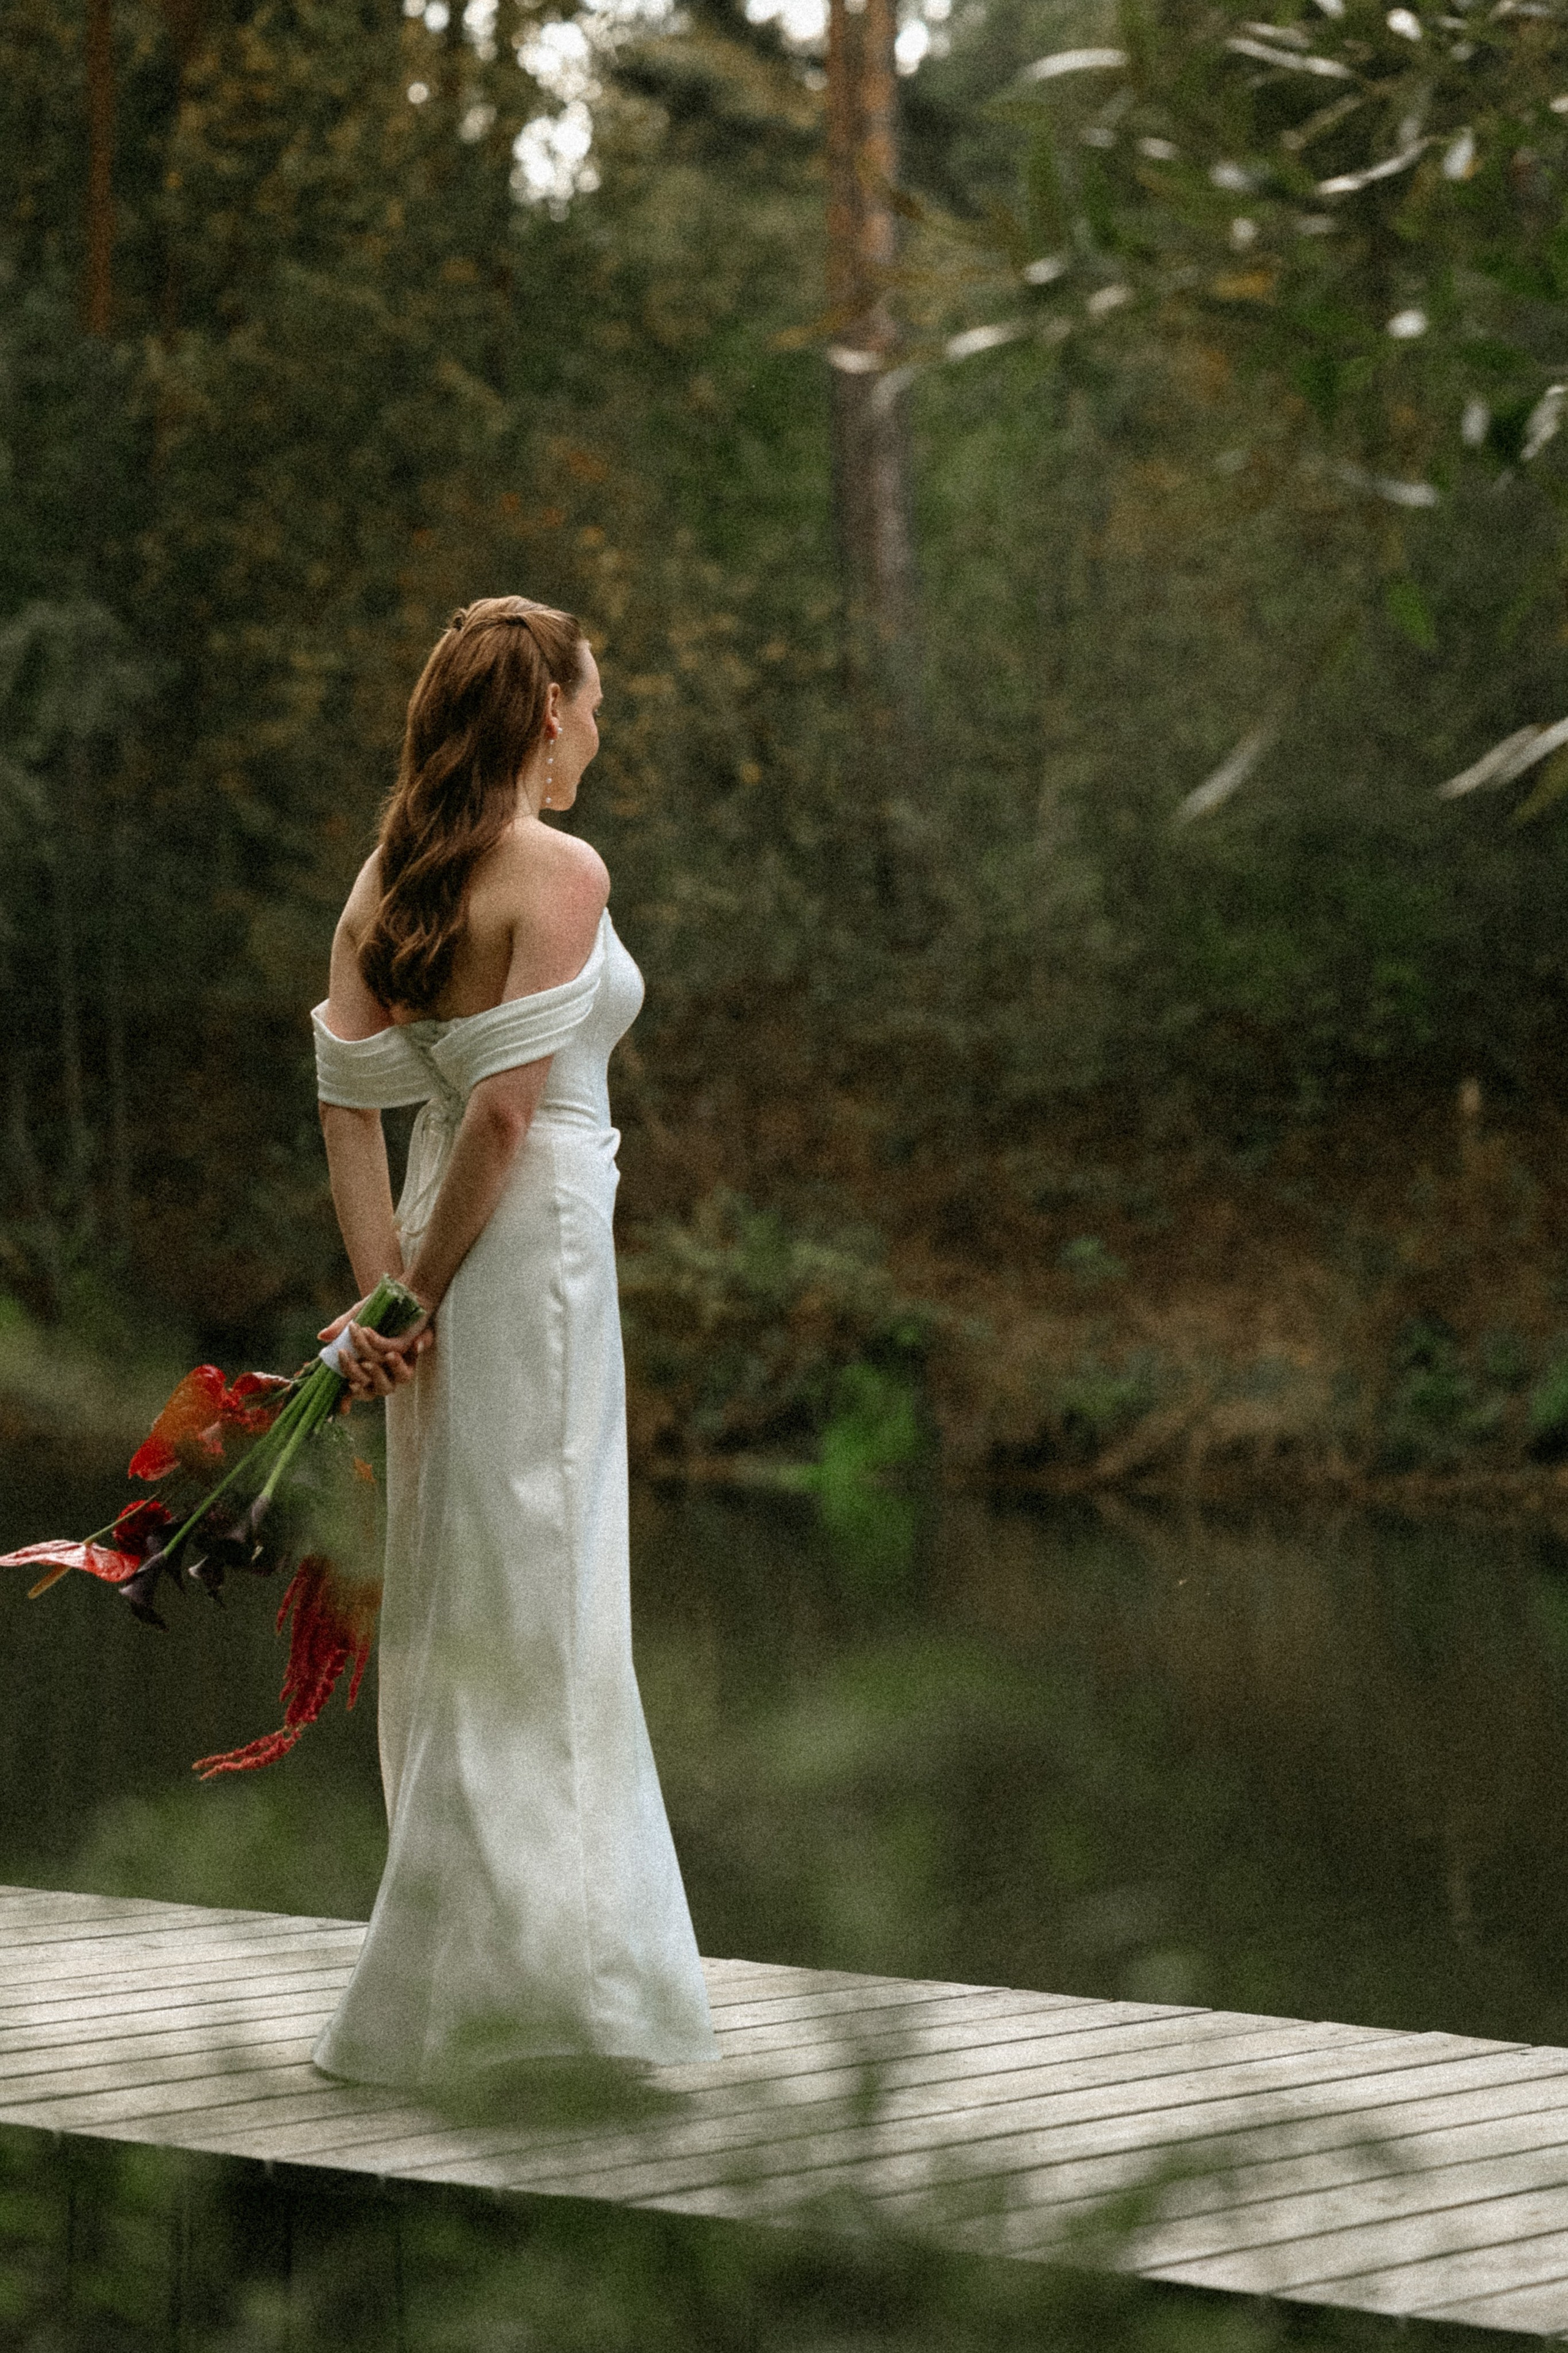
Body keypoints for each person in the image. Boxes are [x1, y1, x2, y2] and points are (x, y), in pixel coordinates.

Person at [306, 594, 718, 2083]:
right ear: (548, 711)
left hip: (435, 1243)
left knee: (457, 1586)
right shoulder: (559, 870)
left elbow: (352, 1099)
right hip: (522, 1250)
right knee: (540, 1589)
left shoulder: (388, 878)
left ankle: (462, 1985)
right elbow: (499, 1109)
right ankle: (561, 2013)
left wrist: (380, 1301)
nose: (601, 728)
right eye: (595, 701)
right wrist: (412, 1299)